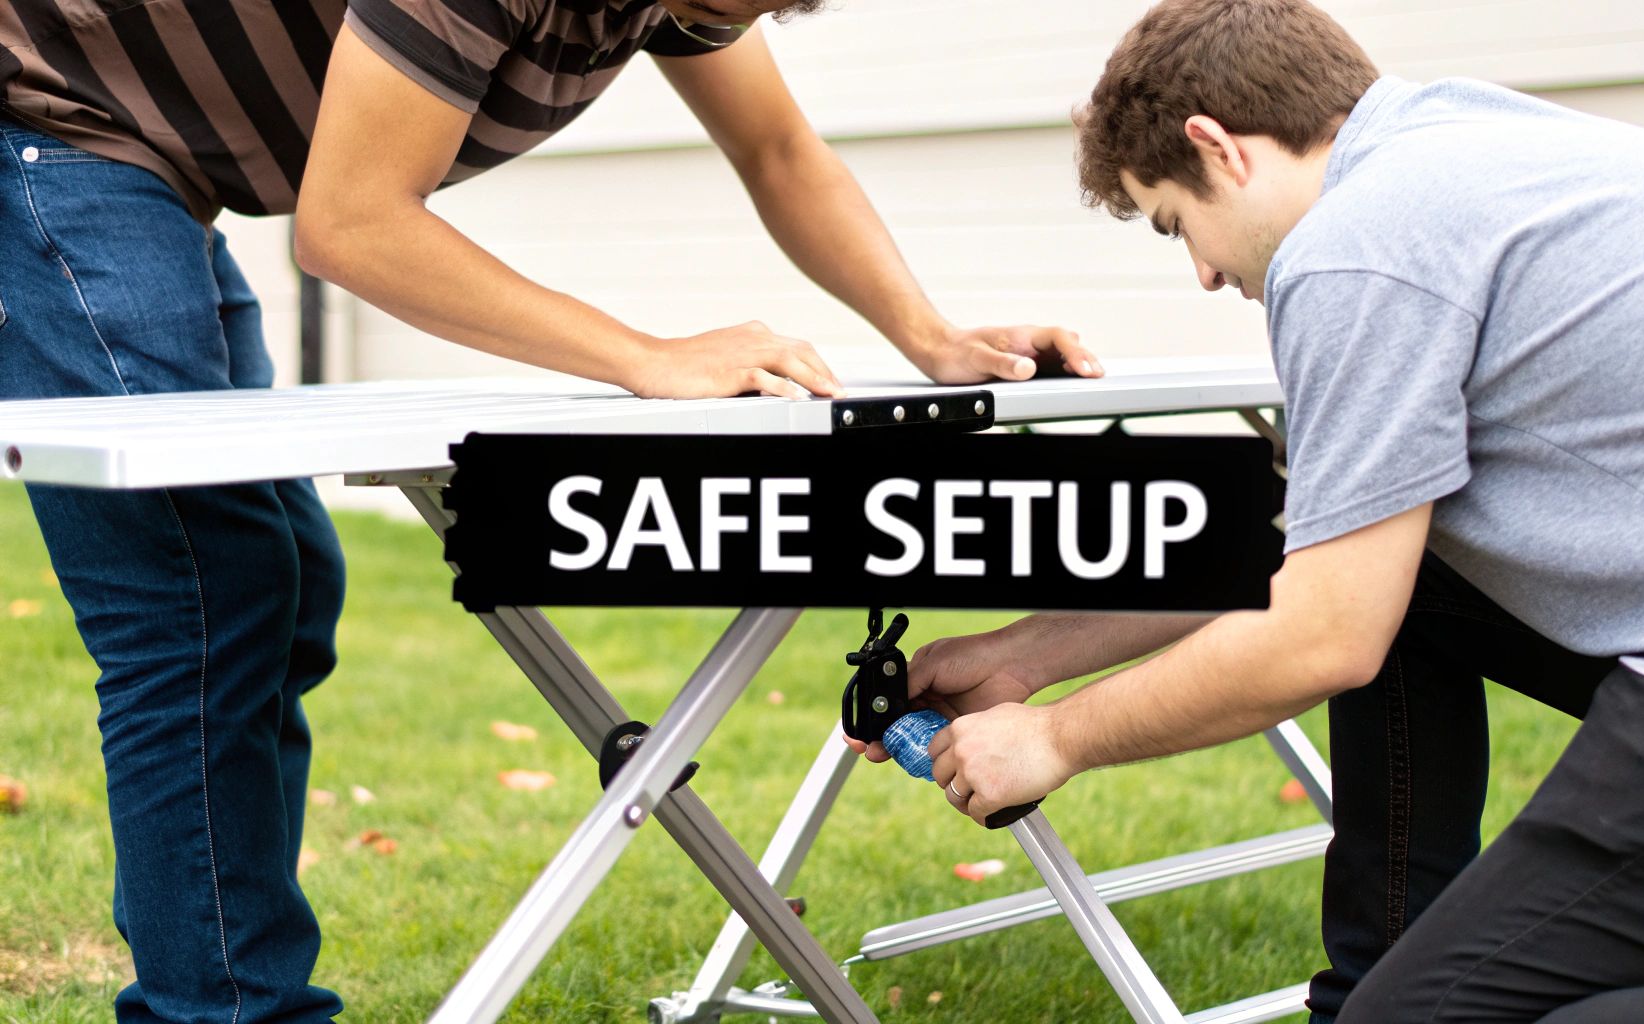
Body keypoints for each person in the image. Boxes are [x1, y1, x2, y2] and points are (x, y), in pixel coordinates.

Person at [0, 1, 1097, 1019]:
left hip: (155, 161)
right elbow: (350, 224)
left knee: (280, 592)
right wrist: (644, 358)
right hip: (50, 115)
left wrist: (930, 335)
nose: (736, 24)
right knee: (200, 599)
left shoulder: (680, 1)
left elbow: (777, 150)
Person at [852, 1, 1644, 1021]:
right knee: (1403, 578)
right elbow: (1311, 543)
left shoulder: (1355, 246)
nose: (1206, 273)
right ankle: (1371, 987)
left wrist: (1052, 737)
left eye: (1179, 225)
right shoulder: (1466, 148)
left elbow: (1322, 635)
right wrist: (1035, 655)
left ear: (1214, 148)